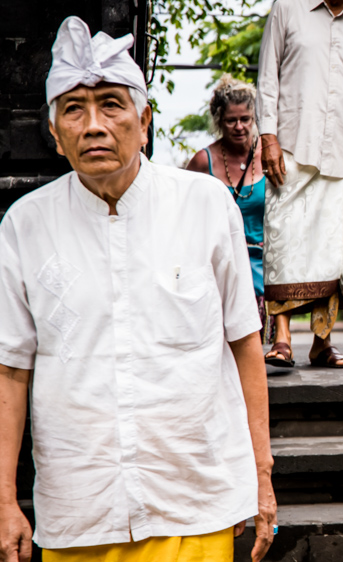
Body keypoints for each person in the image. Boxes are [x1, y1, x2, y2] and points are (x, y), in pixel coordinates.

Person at [0, 16, 276, 562]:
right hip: (81, 511)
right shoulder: (25, 225)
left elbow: (246, 342)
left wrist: (261, 477)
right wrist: (5, 499)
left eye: (111, 105)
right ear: (54, 133)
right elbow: (11, 368)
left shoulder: (204, 204)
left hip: (195, 504)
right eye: (73, 109)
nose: (93, 126)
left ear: (144, 121)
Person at [256, 0, 343, 368]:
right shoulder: (287, 8)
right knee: (285, 243)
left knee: (335, 250)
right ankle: (282, 339)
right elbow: (267, 78)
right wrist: (267, 137)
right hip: (291, 147)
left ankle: (322, 343)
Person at [187, 74, 268, 331]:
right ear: (219, 121)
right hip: (222, 264)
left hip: (264, 267)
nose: (239, 127)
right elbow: (186, 216)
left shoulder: (269, 155)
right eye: (231, 120)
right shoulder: (203, 161)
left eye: (246, 119)